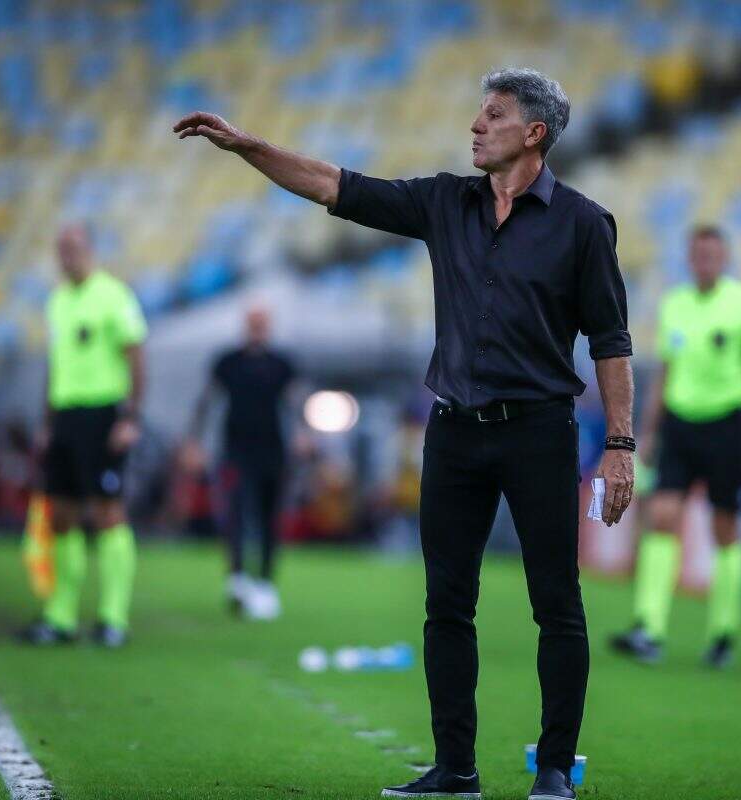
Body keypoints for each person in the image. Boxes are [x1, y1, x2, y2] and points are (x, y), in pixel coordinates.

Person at [176, 66, 634, 800]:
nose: (476, 124)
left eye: (494, 114)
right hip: (453, 432)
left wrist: (618, 445)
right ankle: (456, 769)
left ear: (534, 133)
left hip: (539, 433)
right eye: (479, 112)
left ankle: (554, 771)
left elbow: (611, 341)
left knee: (556, 603)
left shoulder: (583, 224)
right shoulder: (445, 201)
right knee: (446, 604)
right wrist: (247, 147)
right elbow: (334, 185)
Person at [610, 225, 741, 668]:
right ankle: (649, 628)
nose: (705, 261)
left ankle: (722, 634)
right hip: (680, 424)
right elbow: (665, 373)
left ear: (724, 259)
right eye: (699, 254)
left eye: (713, 255)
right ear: (690, 259)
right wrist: (648, 431)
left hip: (727, 424)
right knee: (662, 516)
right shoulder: (674, 304)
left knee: (725, 526)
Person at [19, 223, 148, 649]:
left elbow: (136, 356)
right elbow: (57, 366)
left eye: (74, 247)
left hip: (103, 415)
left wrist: (130, 418)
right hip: (66, 417)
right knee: (61, 515)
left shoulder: (113, 295)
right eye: (61, 249)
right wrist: (47, 423)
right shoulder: (57, 301)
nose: (67, 255)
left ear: (90, 249)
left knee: (109, 512)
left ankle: (113, 618)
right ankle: (61, 617)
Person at [186, 304, 297, 620]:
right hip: (235, 450)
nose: (257, 328)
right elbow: (206, 401)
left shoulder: (281, 364)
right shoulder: (228, 362)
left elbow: (295, 400)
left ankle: (265, 582)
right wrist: (194, 441)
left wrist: (304, 434)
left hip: (272, 451)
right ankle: (236, 577)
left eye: (262, 322)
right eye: (253, 322)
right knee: (235, 511)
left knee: (269, 517)